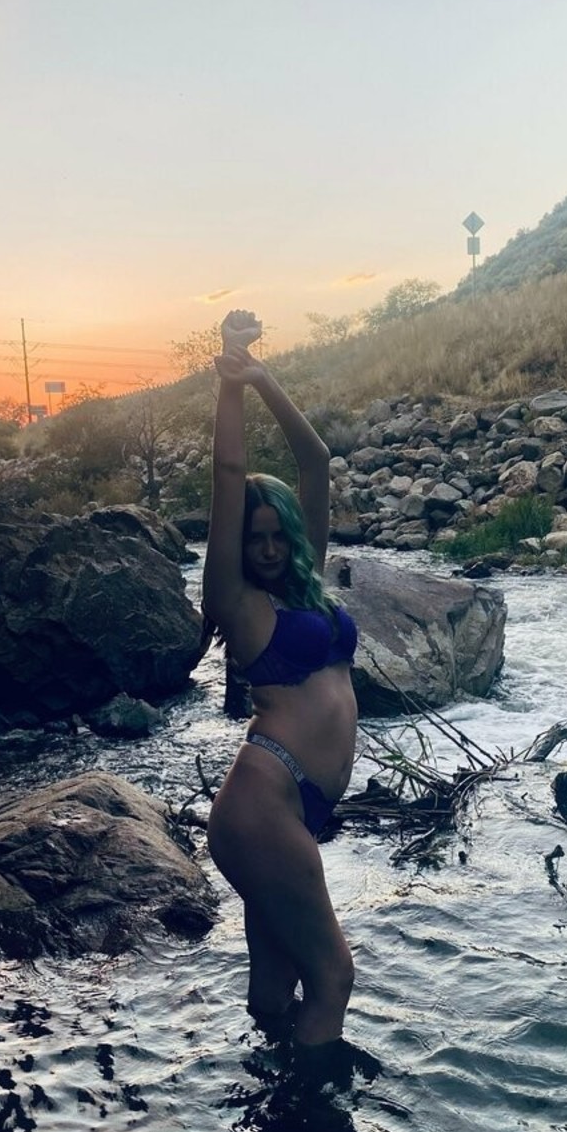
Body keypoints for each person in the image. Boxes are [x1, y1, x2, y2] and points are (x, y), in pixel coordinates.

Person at [203, 309, 357, 1050]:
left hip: (294, 808)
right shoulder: (238, 602)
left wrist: (265, 378)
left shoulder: (307, 585)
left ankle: (265, 1096)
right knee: (333, 978)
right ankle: (311, 1111)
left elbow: (316, 460)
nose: (266, 548)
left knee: (277, 981)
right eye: (252, 538)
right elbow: (228, 475)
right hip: (263, 802)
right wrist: (230, 383)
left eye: (276, 536)